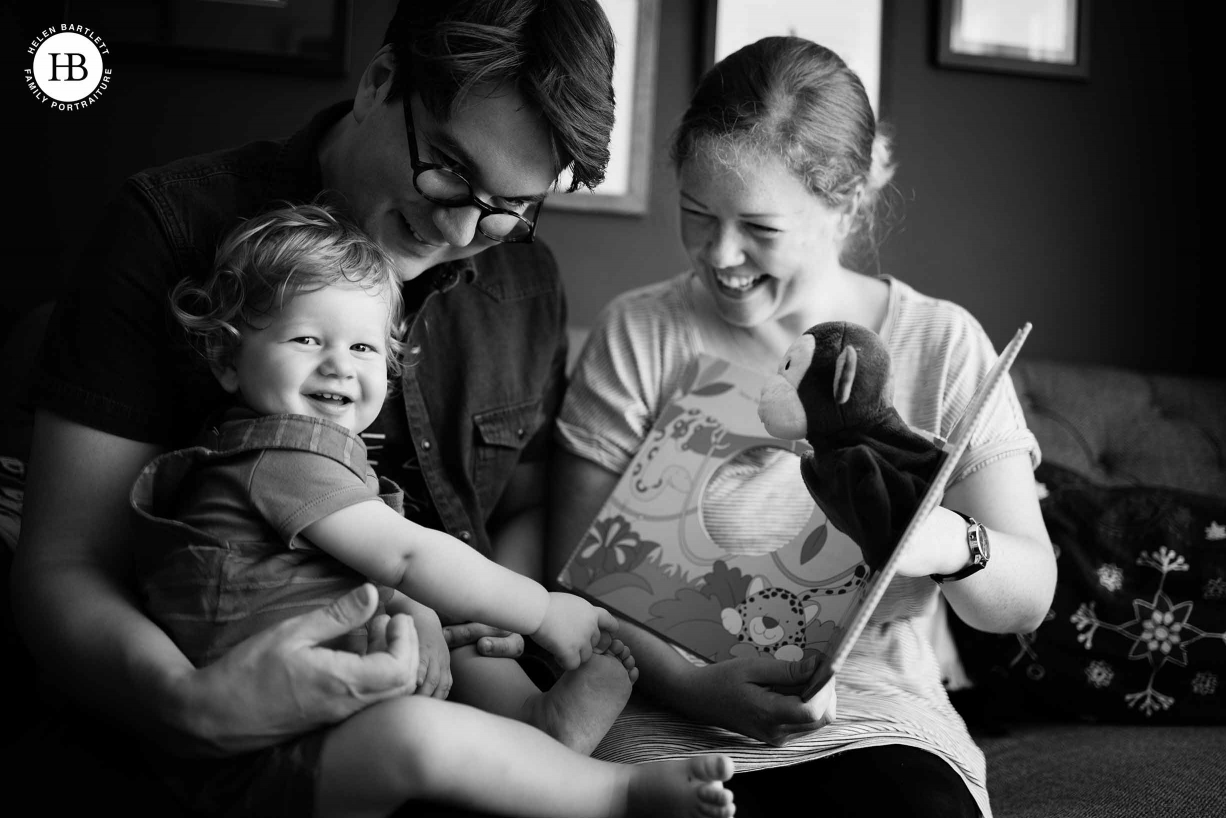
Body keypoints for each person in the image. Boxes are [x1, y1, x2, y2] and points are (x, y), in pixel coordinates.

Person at [11, 1, 620, 813]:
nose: (461, 225)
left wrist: (491, 623)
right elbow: (62, 568)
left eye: (509, 206)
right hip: (195, 721)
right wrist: (190, 707)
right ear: (378, 82)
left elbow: (522, 503)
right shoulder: (167, 229)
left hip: (455, 712)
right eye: (447, 169)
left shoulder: (526, 276)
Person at [549, 36, 1058, 818]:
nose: (719, 254)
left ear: (846, 201)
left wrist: (945, 542)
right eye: (695, 213)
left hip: (871, 722)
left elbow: (1025, 598)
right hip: (661, 714)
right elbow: (573, 579)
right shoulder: (642, 332)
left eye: (759, 227)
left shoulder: (941, 341)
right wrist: (694, 687)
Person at [124, 201, 735, 818]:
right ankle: (615, 793)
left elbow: (369, 569)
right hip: (268, 752)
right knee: (418, 734)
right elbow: (405, 552)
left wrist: (418, 611)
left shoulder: (319, 459)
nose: (339, 362)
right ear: (229, 361)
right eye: (307, 339)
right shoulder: (277, 456)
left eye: (363, 347)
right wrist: (540, 609)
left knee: (448, 635)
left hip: (340, 680)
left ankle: (537, 722)